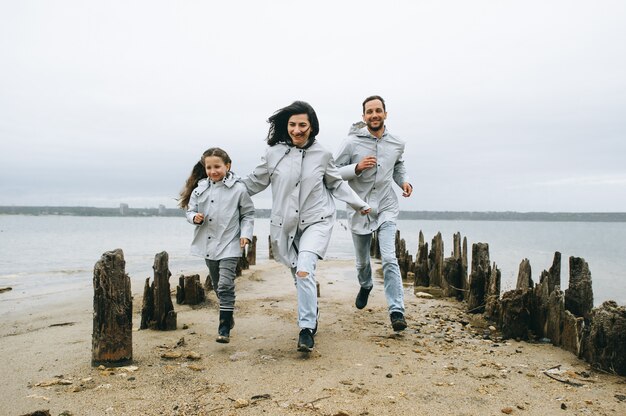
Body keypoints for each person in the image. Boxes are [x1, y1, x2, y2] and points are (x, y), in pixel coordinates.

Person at [242, 101, 370, 352]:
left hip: (317, 221)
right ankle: (311, 312)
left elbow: (336, 183)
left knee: (304, 269)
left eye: (302, 125)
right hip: (285, 225)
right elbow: (253, 183)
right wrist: (221, 187)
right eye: (292, 124)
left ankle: (306, 328)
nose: (297, 130)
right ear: (286, 126)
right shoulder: (273, 154)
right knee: (299, 276)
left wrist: (358, 204)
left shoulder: (323, 154)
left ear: (312, 127)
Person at [334, 95, 413, 332]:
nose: (374, 115)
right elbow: (334, 172)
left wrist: (404, 181)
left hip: (387, 206)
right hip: (360, 208)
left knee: (389, 258)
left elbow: (398, 165)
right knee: (362, 262)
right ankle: (366, 284)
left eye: (378, 110)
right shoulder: (351, 143)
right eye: (369, 112)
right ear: (364, 117)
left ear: (385, 114)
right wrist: (356, 168)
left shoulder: (397, 142)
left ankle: (396, 311)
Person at [179, 147, 255, 343]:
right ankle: (228, 316)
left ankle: (223, 327)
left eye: (217, 166)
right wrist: (193, 217)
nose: (213, 171)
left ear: (227, 166)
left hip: (230, 243)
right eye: (209, 167)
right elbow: (189, 211)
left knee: (225, 284)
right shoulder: (200, 189)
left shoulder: (238, 189)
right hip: (208, 244)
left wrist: (246, 234)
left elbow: (247, 214)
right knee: (216, 285)